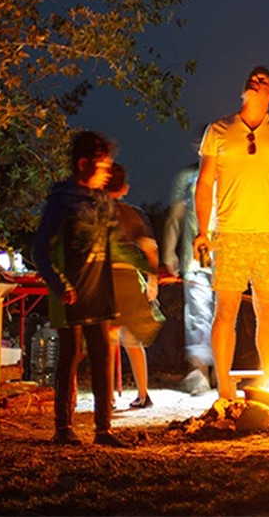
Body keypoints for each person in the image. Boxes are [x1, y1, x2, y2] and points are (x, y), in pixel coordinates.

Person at [193, 66, 269, 399]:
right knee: (225, 311)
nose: (256, 81)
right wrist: (202, 231)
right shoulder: (219, 130)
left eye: (264, 80)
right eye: (253, 78)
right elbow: (205, 182)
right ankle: (225, 388)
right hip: (229, 232)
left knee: (267, 312)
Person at [31, 130, 129, 447]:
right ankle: (63, 428)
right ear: (83, 164)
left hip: (98, 290)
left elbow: (114, 243)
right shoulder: (62, 201)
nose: (106, 173)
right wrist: (59, 283)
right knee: (70, 355)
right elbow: (40, 250)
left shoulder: (101, 201)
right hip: (70, 291)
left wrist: (146, 268)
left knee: (102, 356)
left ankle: (104, 430)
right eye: (101, 167)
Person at [104, 163, 161, 410]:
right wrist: (153, 279)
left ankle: (106, 398)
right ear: (125, 188)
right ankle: (143, 393)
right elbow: (150, 249)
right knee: (132, 340)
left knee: (108, 341)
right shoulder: (133, 214)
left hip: (106, 282)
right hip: (130, 281)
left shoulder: (95, 213)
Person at [161, 160, 216, 396]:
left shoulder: (228, 173)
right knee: (205, 314)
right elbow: (175, 216)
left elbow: (175, 217)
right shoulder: (190, 177)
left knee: (208, 314)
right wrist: (169, 252)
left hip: (220, 257)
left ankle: (210, 373)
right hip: (199, 258)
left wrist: (169, 252)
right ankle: (203, 372)